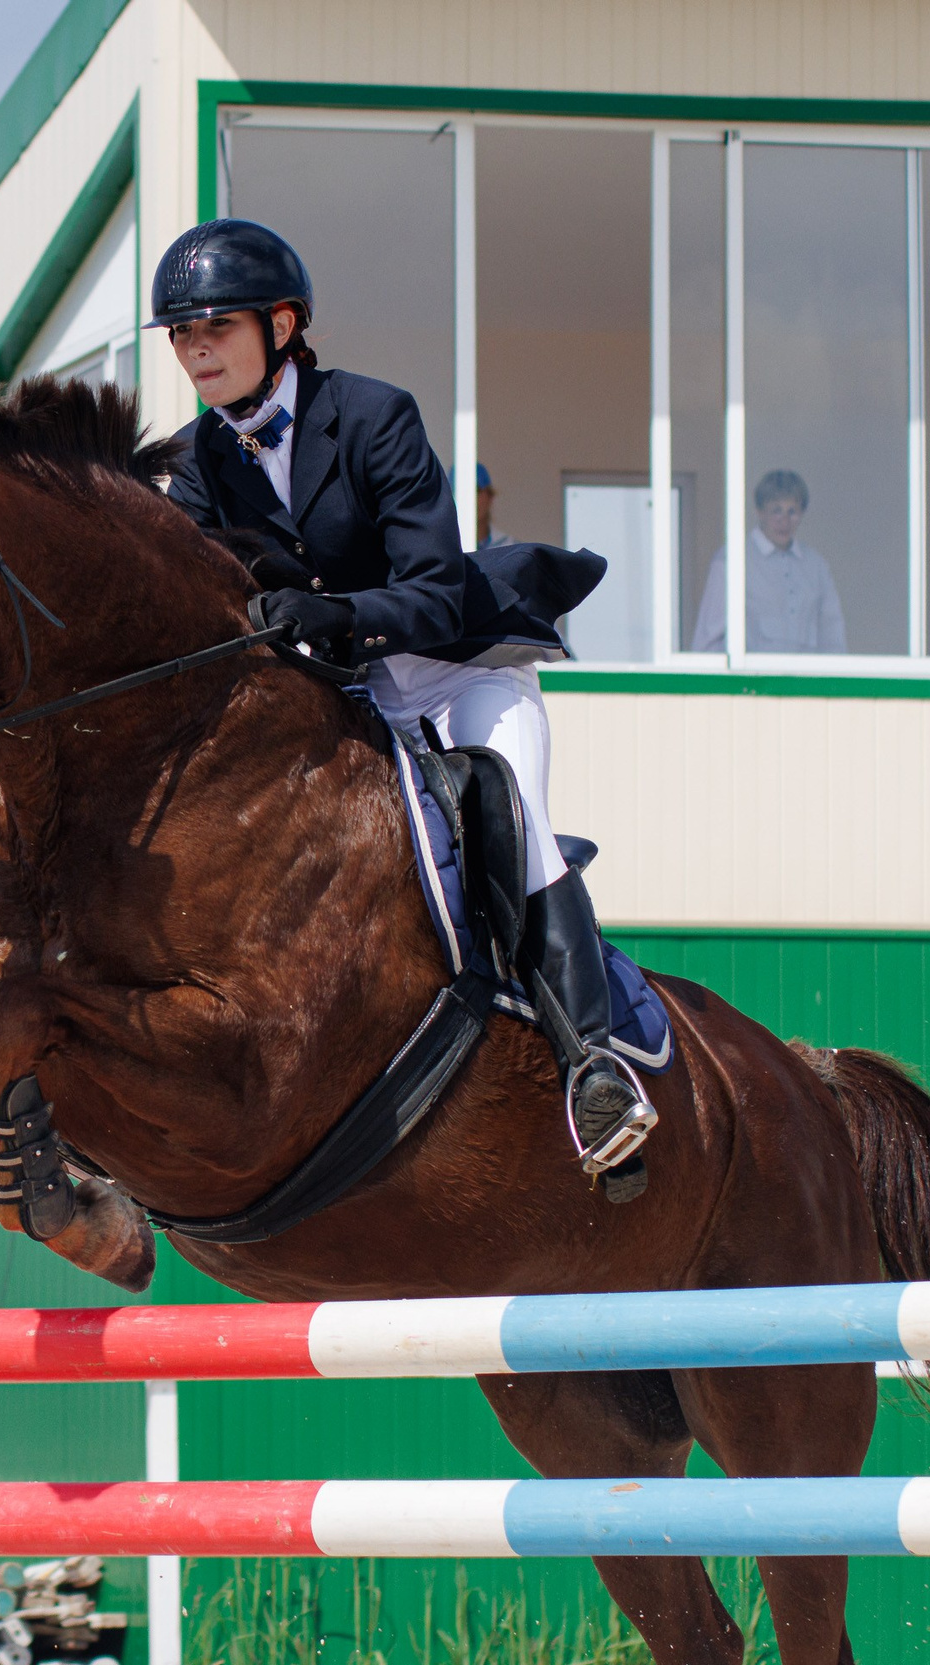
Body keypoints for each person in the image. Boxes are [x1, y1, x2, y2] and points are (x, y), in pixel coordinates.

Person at [153, 217, 656, 1181]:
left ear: (283, 323)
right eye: (181, 335)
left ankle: (597, 1070)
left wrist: (336, 614)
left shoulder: (374, 415)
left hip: (451, 670)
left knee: (514, 813)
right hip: (336, 697)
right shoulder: (194, 465)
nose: (196, 348)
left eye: (214, 325)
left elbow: (433, 588)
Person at [689, 470, 847, 653]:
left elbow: (832, 637)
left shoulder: (816, 567)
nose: (784, 521)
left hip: (805, 680)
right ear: (760, 511)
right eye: (776, 511)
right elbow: (709, 641)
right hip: (754, 680)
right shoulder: (732, 562)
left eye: (792, 511)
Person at [475, 463, 514, 549]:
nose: (469, 500)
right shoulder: (442, 551)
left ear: (490, 496)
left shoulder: (510, 549)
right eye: (459, 492)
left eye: (476, 491)